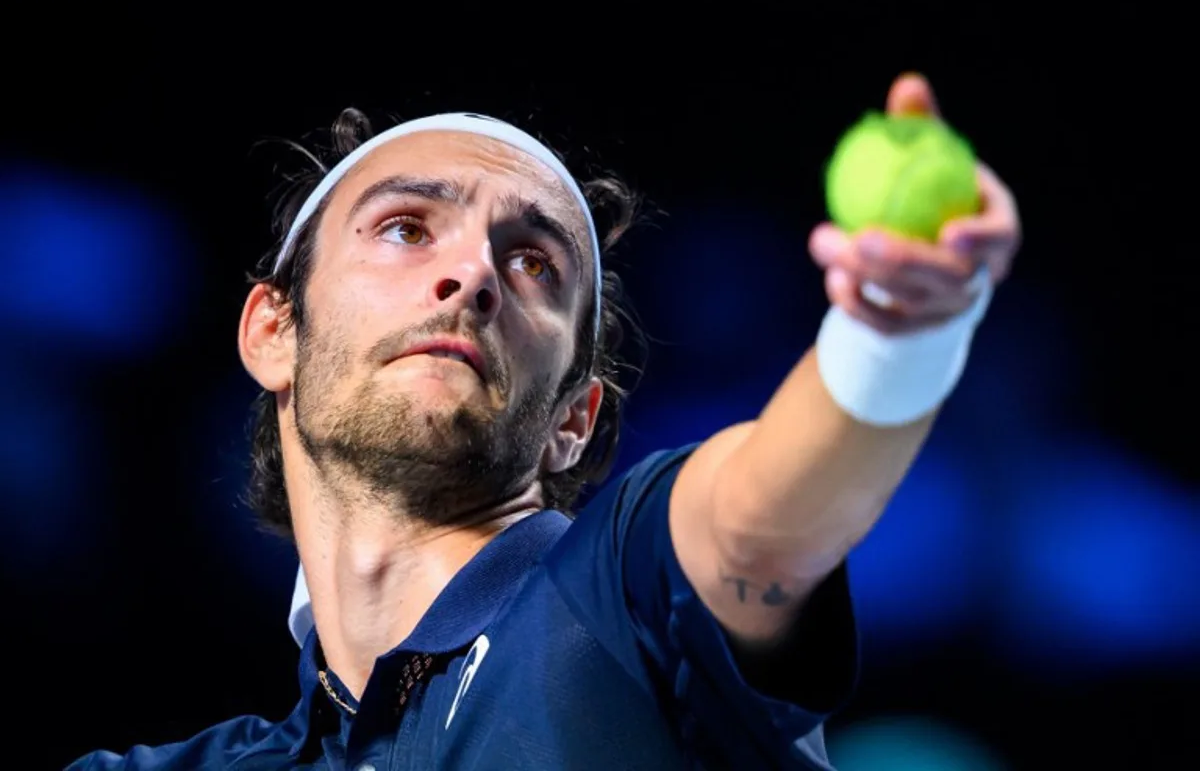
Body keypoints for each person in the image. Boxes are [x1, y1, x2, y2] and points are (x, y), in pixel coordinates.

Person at [69, 74, 1020, 770]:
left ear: (574, 419)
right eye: (405, 228)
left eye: (534, 263)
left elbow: (758, 519)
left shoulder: (622, 591)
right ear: (273, 331)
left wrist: (894, 333)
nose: (474, 272)